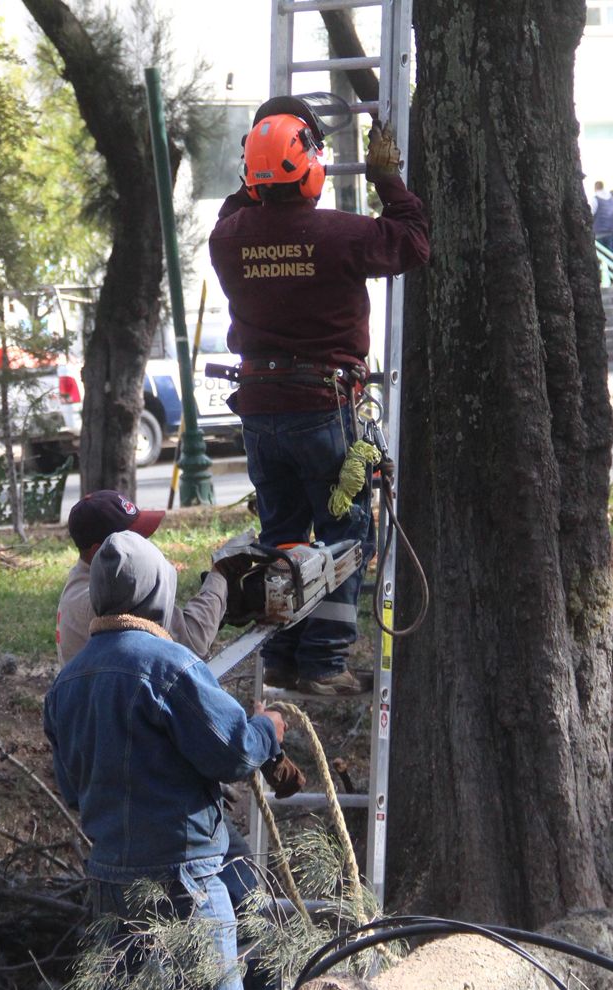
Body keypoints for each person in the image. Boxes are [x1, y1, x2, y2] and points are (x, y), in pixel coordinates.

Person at [45, 531, 301, 990]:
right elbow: (232, 752)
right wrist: (268, 727)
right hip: (187, 875)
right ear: (159, 592)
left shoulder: (67, 684)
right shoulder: (173, 667)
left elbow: (72, 787)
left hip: (110, 876)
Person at [208, 96, 430, 696]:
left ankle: (280, 655)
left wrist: (259, 164)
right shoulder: (338, 235)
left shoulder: (227, 240)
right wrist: (387, 177)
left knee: (280, 535)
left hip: (259, 411)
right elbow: (413, 240)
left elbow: (240, 204)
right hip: (322, 409)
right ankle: (326, 661)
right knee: (346, 532)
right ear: (309, 170)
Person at [55, 490, 226, 667]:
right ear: (98, 550)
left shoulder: (80, 578)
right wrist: (221, 574)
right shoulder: (114, 593)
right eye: (133, 539)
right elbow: (193, 642)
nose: (145, 543)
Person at [591, 180, 613, 251]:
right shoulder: (612, 199)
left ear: (595, 188)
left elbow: (591, 213)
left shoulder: (595, 199)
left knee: (600, 253)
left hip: (598, 231)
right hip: (610, 230)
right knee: (610, 253)